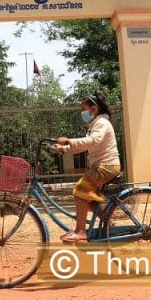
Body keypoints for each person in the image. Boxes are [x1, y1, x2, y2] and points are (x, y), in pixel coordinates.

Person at [54, 91, 121, 243]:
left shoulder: (102, 123)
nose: (82, 113)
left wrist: (68, 141)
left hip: (106, 165)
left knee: (79, 191)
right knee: (89, 199)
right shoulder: (96, 124)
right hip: (102, 165)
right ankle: (108, 224)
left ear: (94, 109)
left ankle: (80, 231)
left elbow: (92, 141)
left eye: (83, 109)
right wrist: (64, 148)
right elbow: (85, 145)